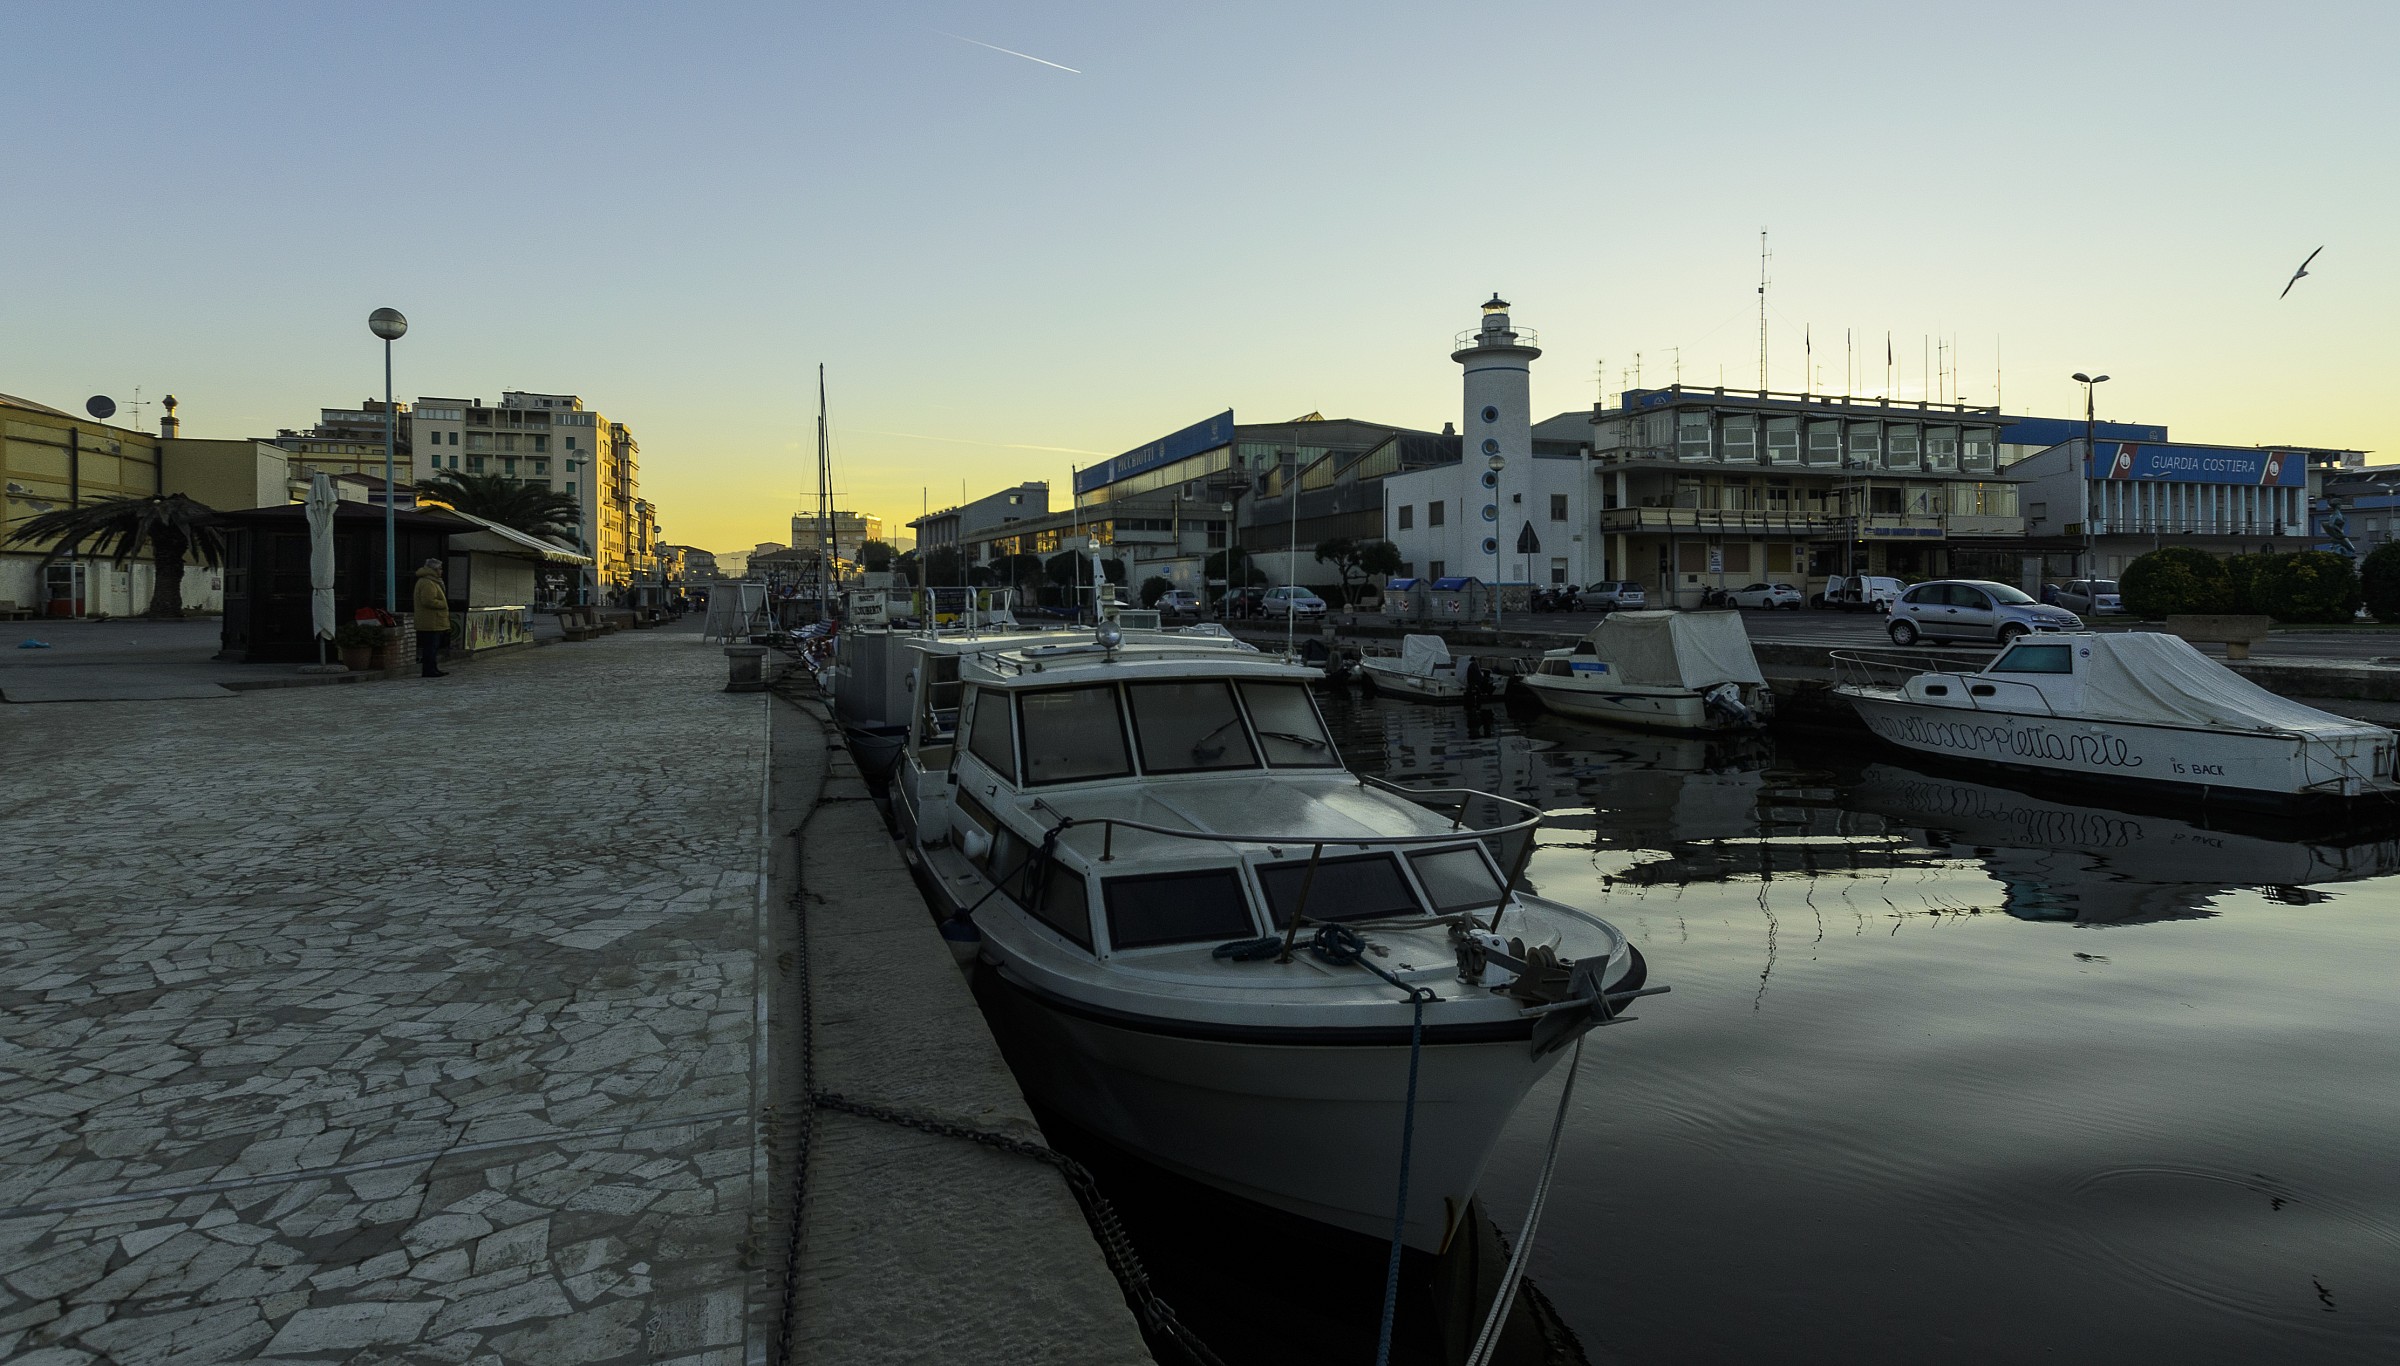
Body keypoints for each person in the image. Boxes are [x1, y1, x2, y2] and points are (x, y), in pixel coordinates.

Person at [412, 557, 451, 678]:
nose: (441, 571)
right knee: (430, 647)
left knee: (433, 648)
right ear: (433, 569)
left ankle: (433, 668)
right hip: (430, 621)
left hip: (434, 620)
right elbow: (428, 601)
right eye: (439, 568)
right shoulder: (427, 582)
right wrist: (443, 604)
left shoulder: (433, 581)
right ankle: (429, 670)